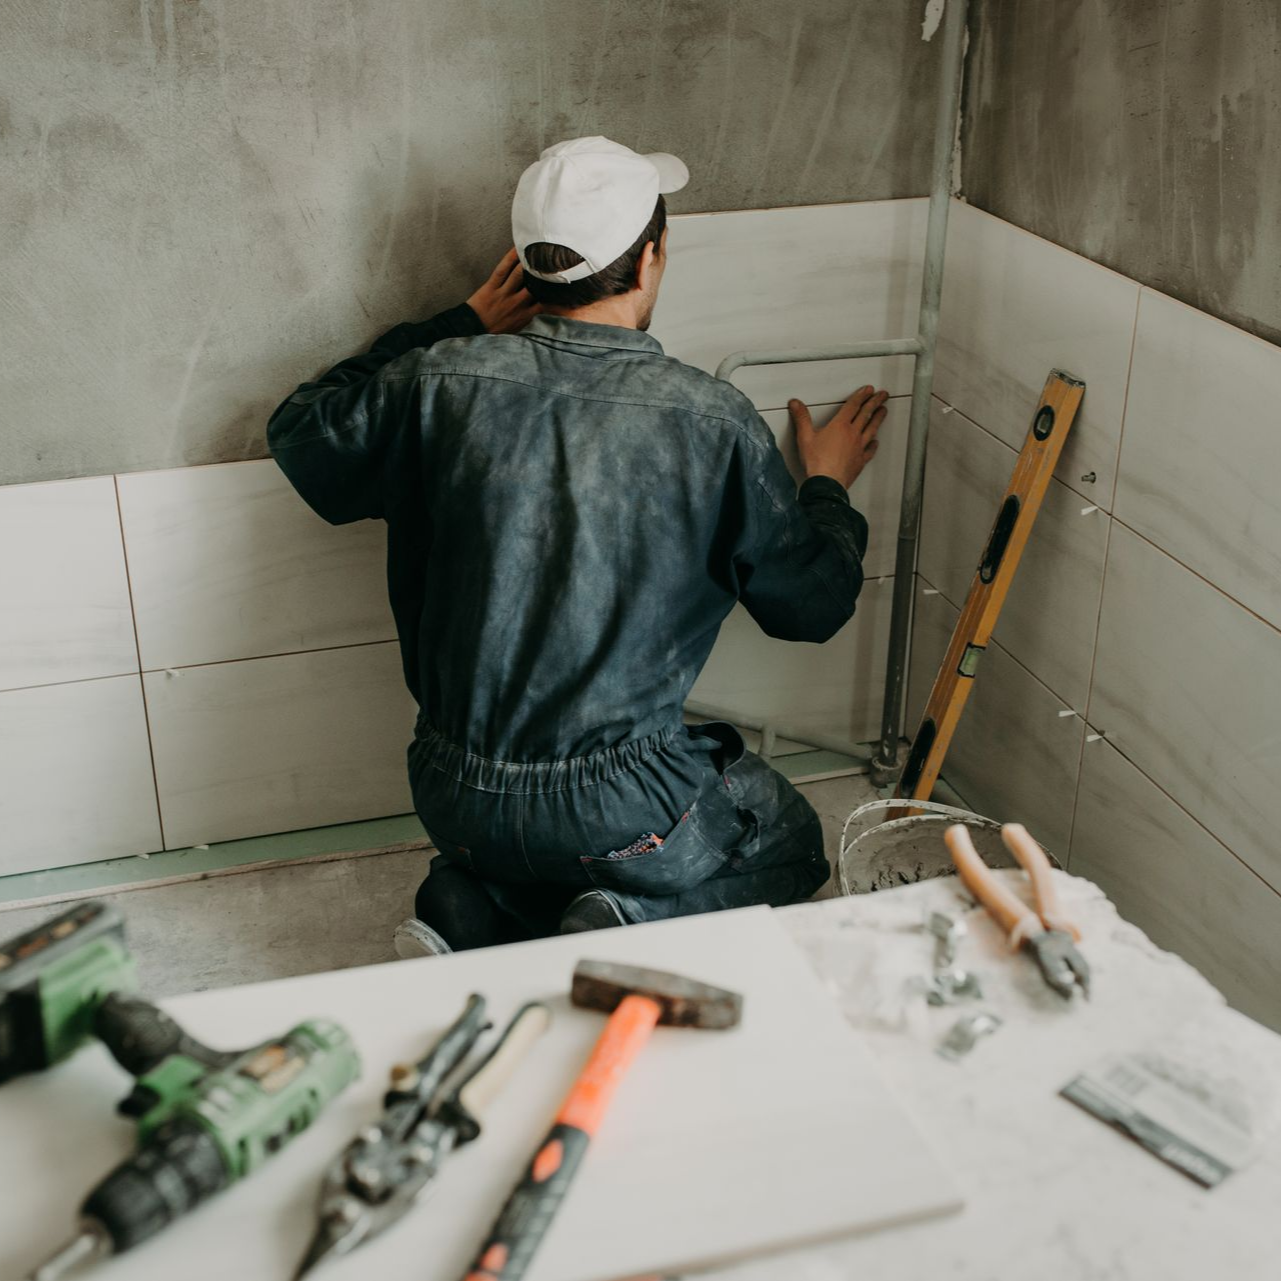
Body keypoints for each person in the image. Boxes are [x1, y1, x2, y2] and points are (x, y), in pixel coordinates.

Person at [268, 137, 887, 955]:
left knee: (539, 843)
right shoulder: (708, 419)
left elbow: (302, 434)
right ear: (652, 258)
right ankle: (630, 917)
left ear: (527, 266)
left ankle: (471, 905)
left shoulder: (438, 382)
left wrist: (459, 322)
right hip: (621, 810)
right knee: (788, 839)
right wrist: (825, 488)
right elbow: (811, 605)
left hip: (453, 793)